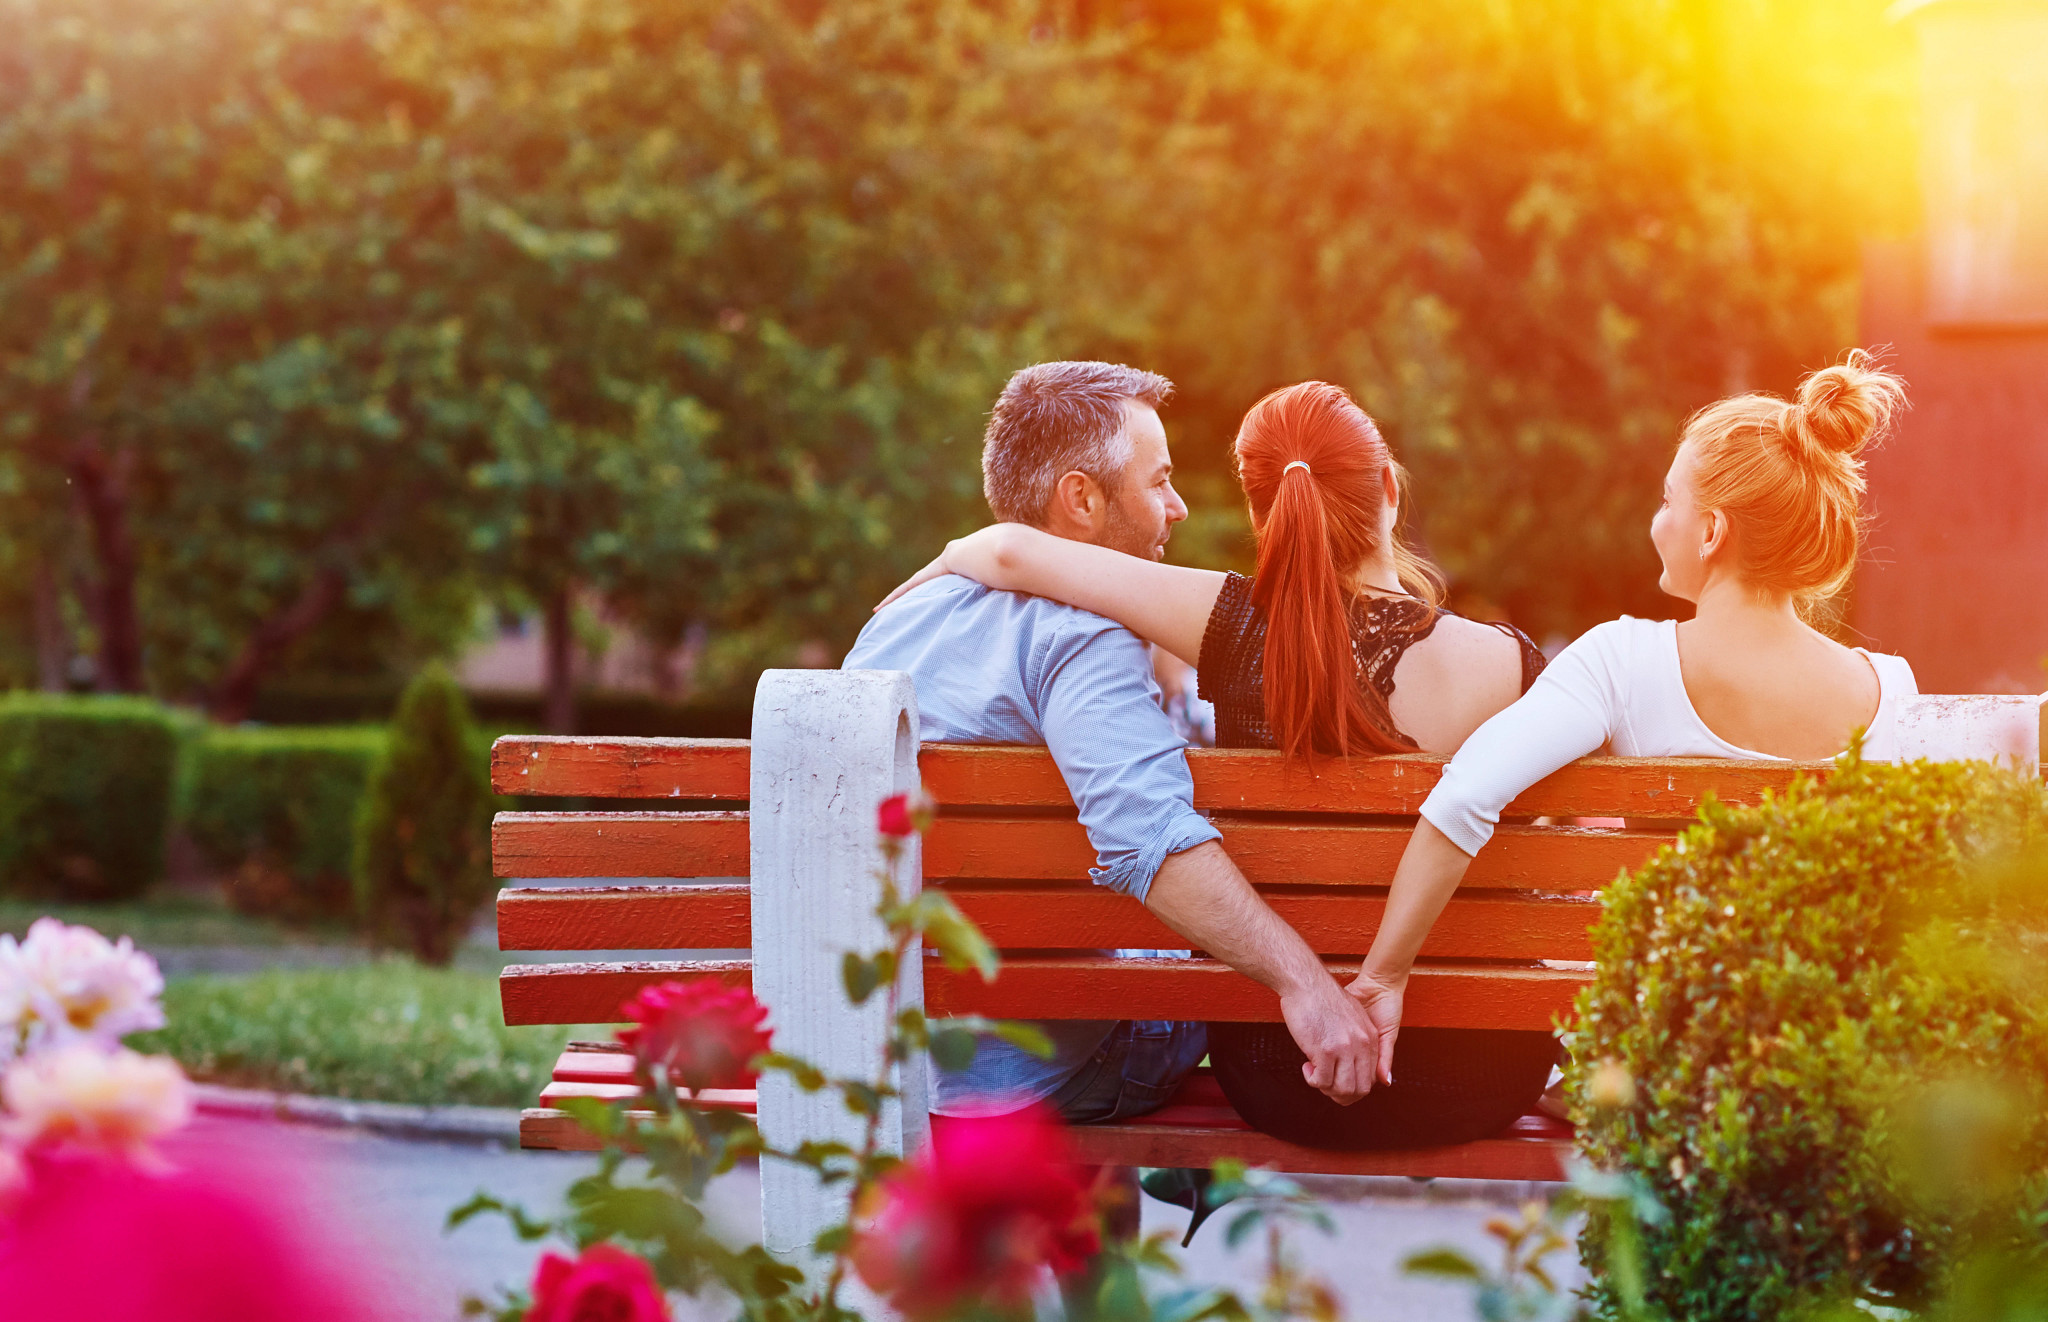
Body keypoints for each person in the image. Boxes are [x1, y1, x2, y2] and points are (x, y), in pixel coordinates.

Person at [881, 380, 1556, 1150]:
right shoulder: (1509, 665)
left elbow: (1015, 551)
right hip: (1483, 1073)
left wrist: (949, 558)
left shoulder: (1231, 630)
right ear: (1389, 490)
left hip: (1276, 1071)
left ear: (1263, 515)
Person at [1353, 352, 1917, 1099]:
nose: (1657, 524)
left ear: (1711, 532)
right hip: (1827, 1077)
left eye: (1667, 503)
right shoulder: (1890, 691)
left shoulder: (1622, 660)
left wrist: (1383, 976)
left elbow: (1463, 800)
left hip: (1662, 1076)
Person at [844, 361, 1382, 1130]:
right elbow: (1150, 841)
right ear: (1082, 499)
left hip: (902, 1056)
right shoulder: (1080, 633)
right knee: (1212, 978)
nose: (1178, 506)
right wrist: (1308, 987)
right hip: (1039, 1066)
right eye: (1158, 482)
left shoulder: (897, 617)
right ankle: (1147, 1221)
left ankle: (1090, 1244)